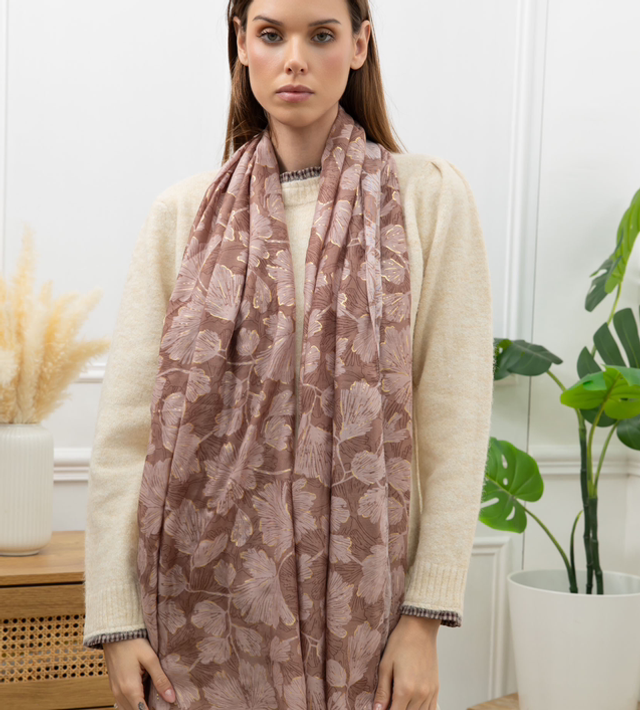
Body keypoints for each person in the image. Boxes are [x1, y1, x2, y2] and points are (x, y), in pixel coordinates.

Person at [81, 1, 494, 710]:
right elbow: (127, 435)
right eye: (271, 35)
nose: (294, 59)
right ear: (242, 44)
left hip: (368, 625)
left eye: (321, 34)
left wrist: (424, 618)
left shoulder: (427, 197)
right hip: (191, 616)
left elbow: (454, 425)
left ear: (359, 45)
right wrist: (117, 621)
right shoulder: (181, 213)